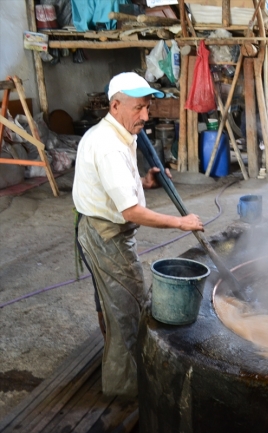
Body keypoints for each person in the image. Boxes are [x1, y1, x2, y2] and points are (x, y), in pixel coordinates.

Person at [73, 72, 203, 397]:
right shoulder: (108, 148)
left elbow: (117, 190)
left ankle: (122, 377)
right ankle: (125, 392)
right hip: (107, 236)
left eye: (147, 108)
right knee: (128, 317)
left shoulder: (119, 133)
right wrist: (181, 223)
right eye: (138, 109)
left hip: (99, 227)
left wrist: (143, 183)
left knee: (116, 306)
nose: (145, 116)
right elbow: (131, 213)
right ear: (115, 105)